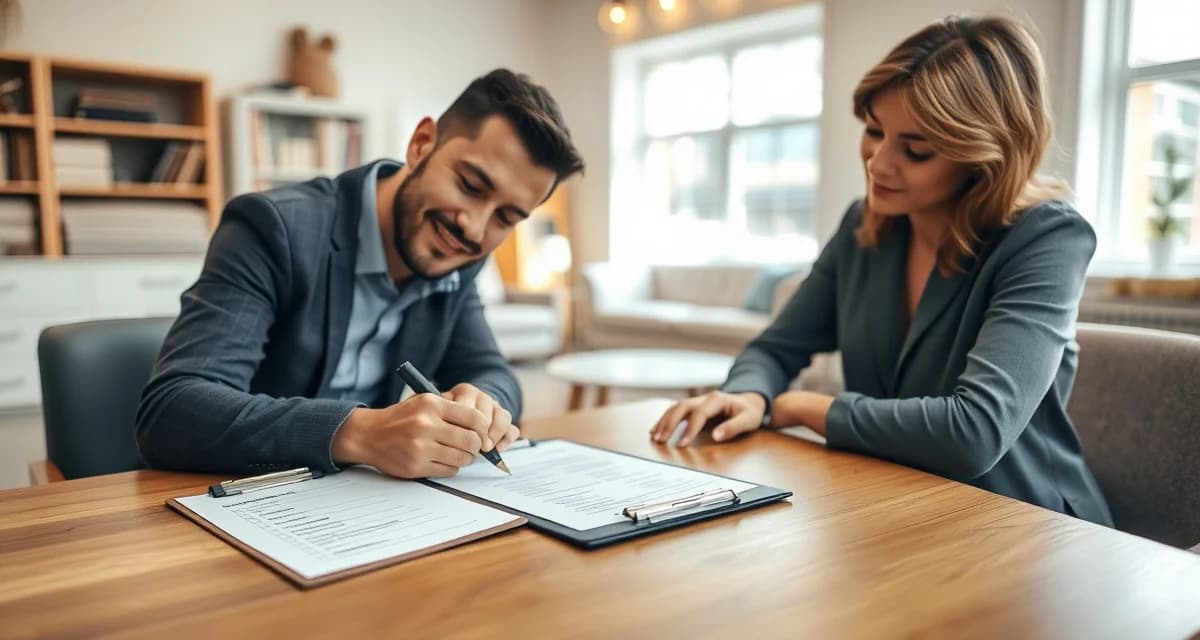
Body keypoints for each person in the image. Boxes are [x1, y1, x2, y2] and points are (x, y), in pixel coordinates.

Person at [650, 16, 1113, 525]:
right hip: (893, 499)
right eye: (874, 130)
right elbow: (776, 348)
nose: (878, 162)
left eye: (915, 150)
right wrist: (749, 394)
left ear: (985, 157)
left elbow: (974, 433)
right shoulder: (865, 226)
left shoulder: (1046, 238)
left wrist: (801, 408)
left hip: (1023, 523)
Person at [137, 69, 584, 479]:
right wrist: (361, 433)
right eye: (469, 186)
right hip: (228, 499)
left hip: (358, 513)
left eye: (506, 217)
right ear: (421, 144)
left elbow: (491, 371)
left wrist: (487, 404)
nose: (474, 227)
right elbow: (173, 411)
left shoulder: (461, 254)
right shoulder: (273, 228)